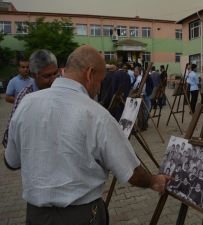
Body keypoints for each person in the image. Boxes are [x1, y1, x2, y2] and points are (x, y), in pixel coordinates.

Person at [4, 45, 170, 225]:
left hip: (36, 216)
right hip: (81, 215)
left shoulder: (26, 103)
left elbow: (11, 161)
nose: (99, 89)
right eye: (100, 81)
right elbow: (132, 173)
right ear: (90, 73)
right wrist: (154, 180)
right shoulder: (97, 115)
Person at [2, 49, 58, 148]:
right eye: (47, 76)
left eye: (55, 74)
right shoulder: (24, 96)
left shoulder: (61, 90)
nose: (53, 80)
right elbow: (9, 137)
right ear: (34, 75)